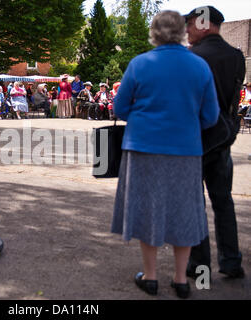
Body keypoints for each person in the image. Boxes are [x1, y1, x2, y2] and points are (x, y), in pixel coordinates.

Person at [111, 11, 220, 299]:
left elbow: (120, 109)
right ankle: (181, 279)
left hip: (143, 148)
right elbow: (211, 116)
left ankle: (150, 277)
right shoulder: (200, 67)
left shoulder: (139, 64)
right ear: (183, 31)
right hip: (186, 151)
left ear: (155, 32)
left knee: (149, 210)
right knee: (184, 211)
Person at [184, 6, 246, 279]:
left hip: (193, 139)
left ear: (203, 23)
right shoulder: (236, 56)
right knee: (223, 202)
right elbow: (233, 104)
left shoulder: (192, 57)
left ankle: (200, 266)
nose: (186, 30)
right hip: (222, 139)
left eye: (189, 24)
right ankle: (231, 262)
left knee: (194, 204)